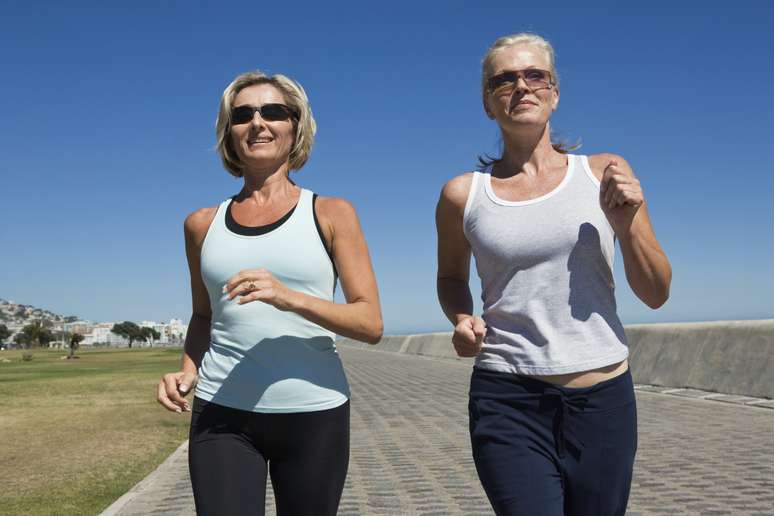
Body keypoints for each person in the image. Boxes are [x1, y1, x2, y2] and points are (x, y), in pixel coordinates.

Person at [435, 33, 671, 516]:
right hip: (507, 397)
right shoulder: (463, 194)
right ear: (488, 103)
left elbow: (656, 293)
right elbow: (450, 278)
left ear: (554, 92)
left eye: (534, 75)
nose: (521, 86)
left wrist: (627, 226)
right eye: (504, 80)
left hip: (602, 399)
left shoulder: (605, 172)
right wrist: (461, 318)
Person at [156, 70, 382, 516]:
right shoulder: (201, 225)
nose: (257, 123)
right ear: (229, 132)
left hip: (313, 412)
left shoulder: (331, 213)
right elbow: (204, 317)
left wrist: (287, 296)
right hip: (221, 413)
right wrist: (186, 369)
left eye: (273, 111)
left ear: (296, 125)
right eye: (242, 115)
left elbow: (370, 323)